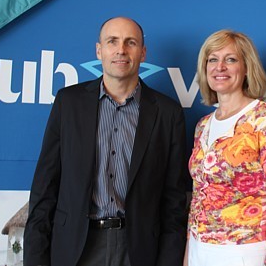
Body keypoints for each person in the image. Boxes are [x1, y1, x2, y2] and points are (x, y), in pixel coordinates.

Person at [24, 17, 189, 266]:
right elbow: (44, 190)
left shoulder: (168, 113)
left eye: (130, 42)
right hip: (75, 247)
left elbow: (173, 202)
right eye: (112, 41)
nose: (121, 50)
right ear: (99, 50)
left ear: (142, 53)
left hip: (138, 250)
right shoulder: (68, 103)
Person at [186, 30, 266, 266]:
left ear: (247, 68)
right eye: (212, 59)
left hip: (245, 252)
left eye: (230, 59)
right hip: (199, 250)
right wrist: (188, 256)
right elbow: (197, 199)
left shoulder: (265, 119)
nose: (220, 67)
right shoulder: (203, 125)